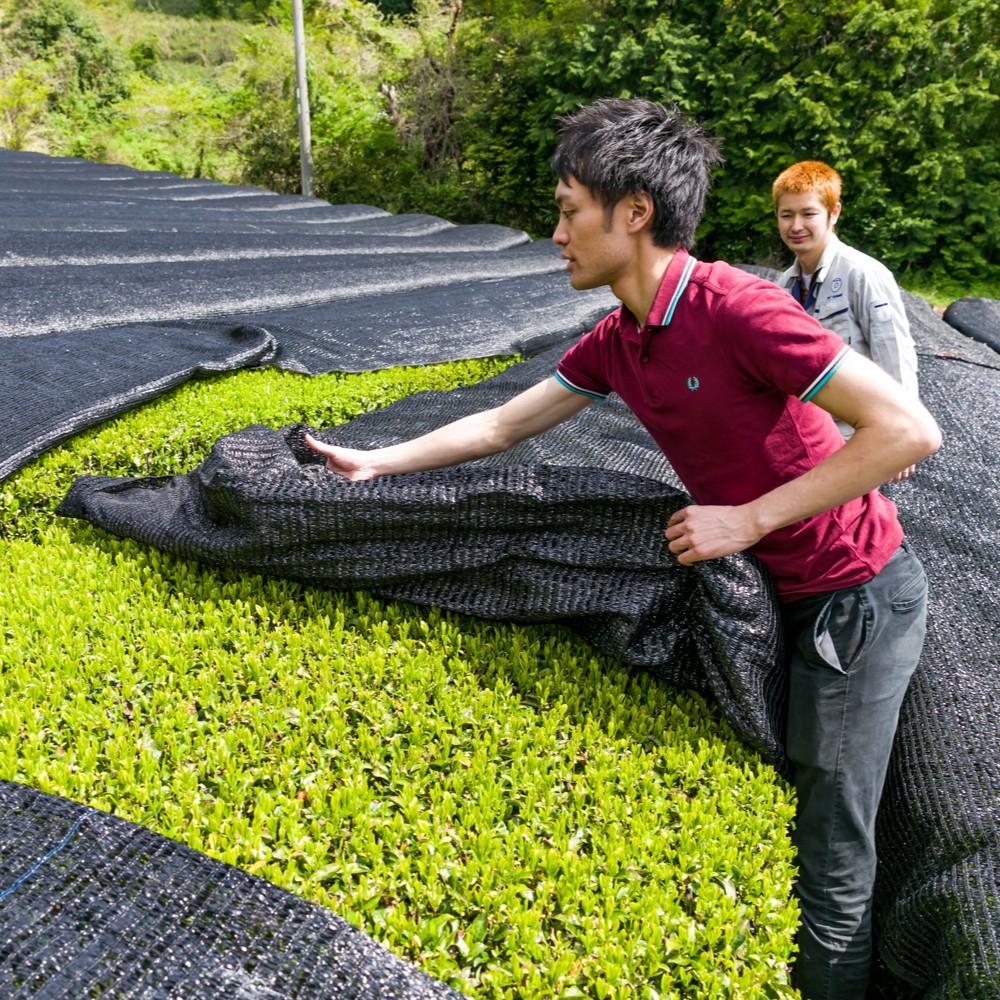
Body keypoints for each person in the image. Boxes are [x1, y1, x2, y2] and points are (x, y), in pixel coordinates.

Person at [305, 99, 942, 999]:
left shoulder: (739, 309)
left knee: (832, 841)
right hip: (774, 590)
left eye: (569, 210)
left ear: (633, 213)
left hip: (855, 593)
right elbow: (499, 424)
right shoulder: (622, 337)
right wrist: (375, 460)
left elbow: (909, 432)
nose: (556, 231)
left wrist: (748, 517)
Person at [773, 160, 920, 479]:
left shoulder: (862, 274)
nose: (796, 225)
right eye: (787, 215)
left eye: (808, 213)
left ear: (833, 212)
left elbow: (894, 352)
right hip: (808, 442)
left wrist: (905, 431)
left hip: (856, 441)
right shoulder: (783, 287)